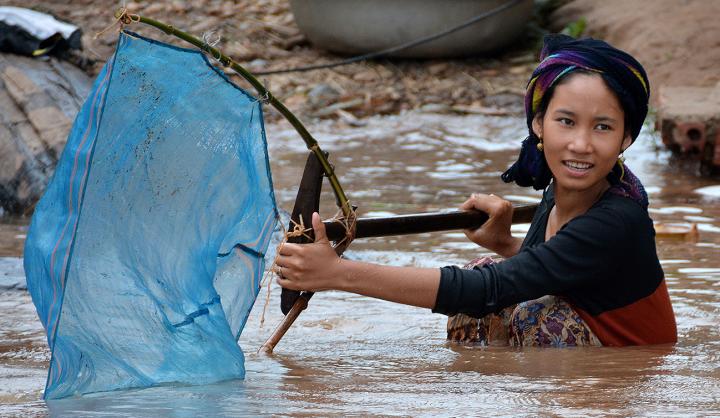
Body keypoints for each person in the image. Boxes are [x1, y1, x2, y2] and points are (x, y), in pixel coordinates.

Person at [275, 34, 677, 347]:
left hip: (628, 364)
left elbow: (491, 292)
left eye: (602, 127)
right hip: (589, 341)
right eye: (566, 122)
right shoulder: (564, 188)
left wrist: (338, 273)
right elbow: (567, 271)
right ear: (539, 124)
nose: (581, 144)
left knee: (520, 309)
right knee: (483, 267)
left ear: (627, 137)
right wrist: (506, 243)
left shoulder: (615, 220)